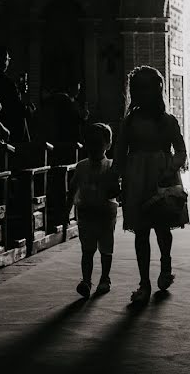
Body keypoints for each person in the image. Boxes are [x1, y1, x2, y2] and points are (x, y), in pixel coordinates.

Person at [115, 66, 188, 305]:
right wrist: (116, 181)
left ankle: (165, 266)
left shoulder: (168, 121)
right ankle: (143, 283)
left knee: (162, 227)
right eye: (140, 88)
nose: (145, 93)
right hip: (136, 179)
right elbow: (119, 155)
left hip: (162, 177)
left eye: (150, 88)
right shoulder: (128, 122)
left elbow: (181, 151)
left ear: (157, 91)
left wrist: (170, 169)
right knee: (141, 231)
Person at [67, 123, 118, 298]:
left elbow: (118, 190)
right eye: (91, 143)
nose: (94, 147)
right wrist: (67, 211)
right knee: (87, 250)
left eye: (99, 143)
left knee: (106, 248)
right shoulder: (81, 166)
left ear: (108, 145)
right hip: (86, 212)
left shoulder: (112, 166)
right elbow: (72, 189)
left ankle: (105, 278)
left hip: (105, 213)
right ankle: (86, 281)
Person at [0, 45, 31, 142]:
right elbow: (15, 107)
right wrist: (29, 109)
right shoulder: (6, 82)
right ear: (3, 60)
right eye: (8, 59)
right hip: (9, 129)